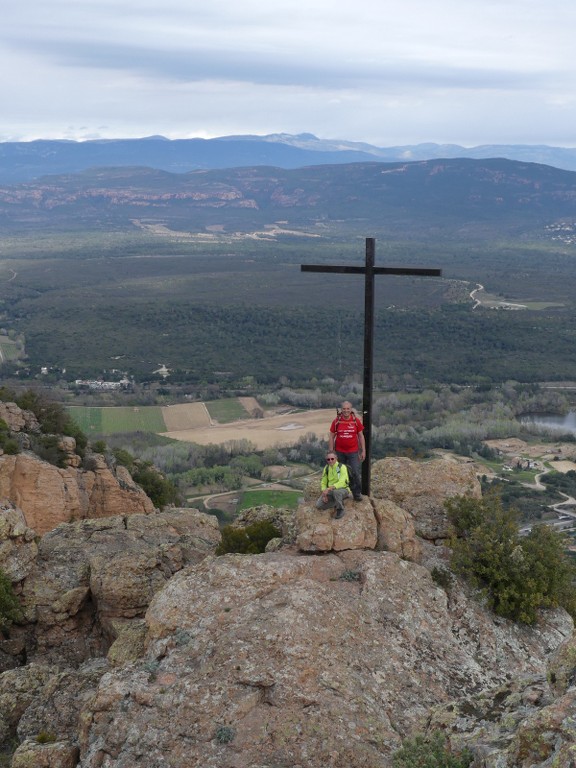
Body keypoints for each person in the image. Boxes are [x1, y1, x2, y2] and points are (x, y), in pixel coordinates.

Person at [328, 401, 366, 501]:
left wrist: (363, 451)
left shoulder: (355, 421)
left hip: (353, 452)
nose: (346, 411)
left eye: (348, 409)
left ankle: (357, 494)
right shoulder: (336, 421)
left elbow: (361, 436)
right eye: (344, 409)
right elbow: (331, 436)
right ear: (341, 409)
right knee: (339, 474)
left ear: (351, 409)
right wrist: (331, 452)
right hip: (339, 452)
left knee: (355, 472)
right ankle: (341, 494)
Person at [316, 451, 351, 519]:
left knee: (336, 492)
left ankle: (340, 509)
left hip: (343, 489)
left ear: (336, 458)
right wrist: (324, 493)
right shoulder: (326, 468)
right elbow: (323, 481)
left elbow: (342, 481)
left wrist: (329, 488)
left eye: (332, 459)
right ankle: (338, 501)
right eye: (328, 459)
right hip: (331, 491)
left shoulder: (342, 467)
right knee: (319, 505)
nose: (330, 461)